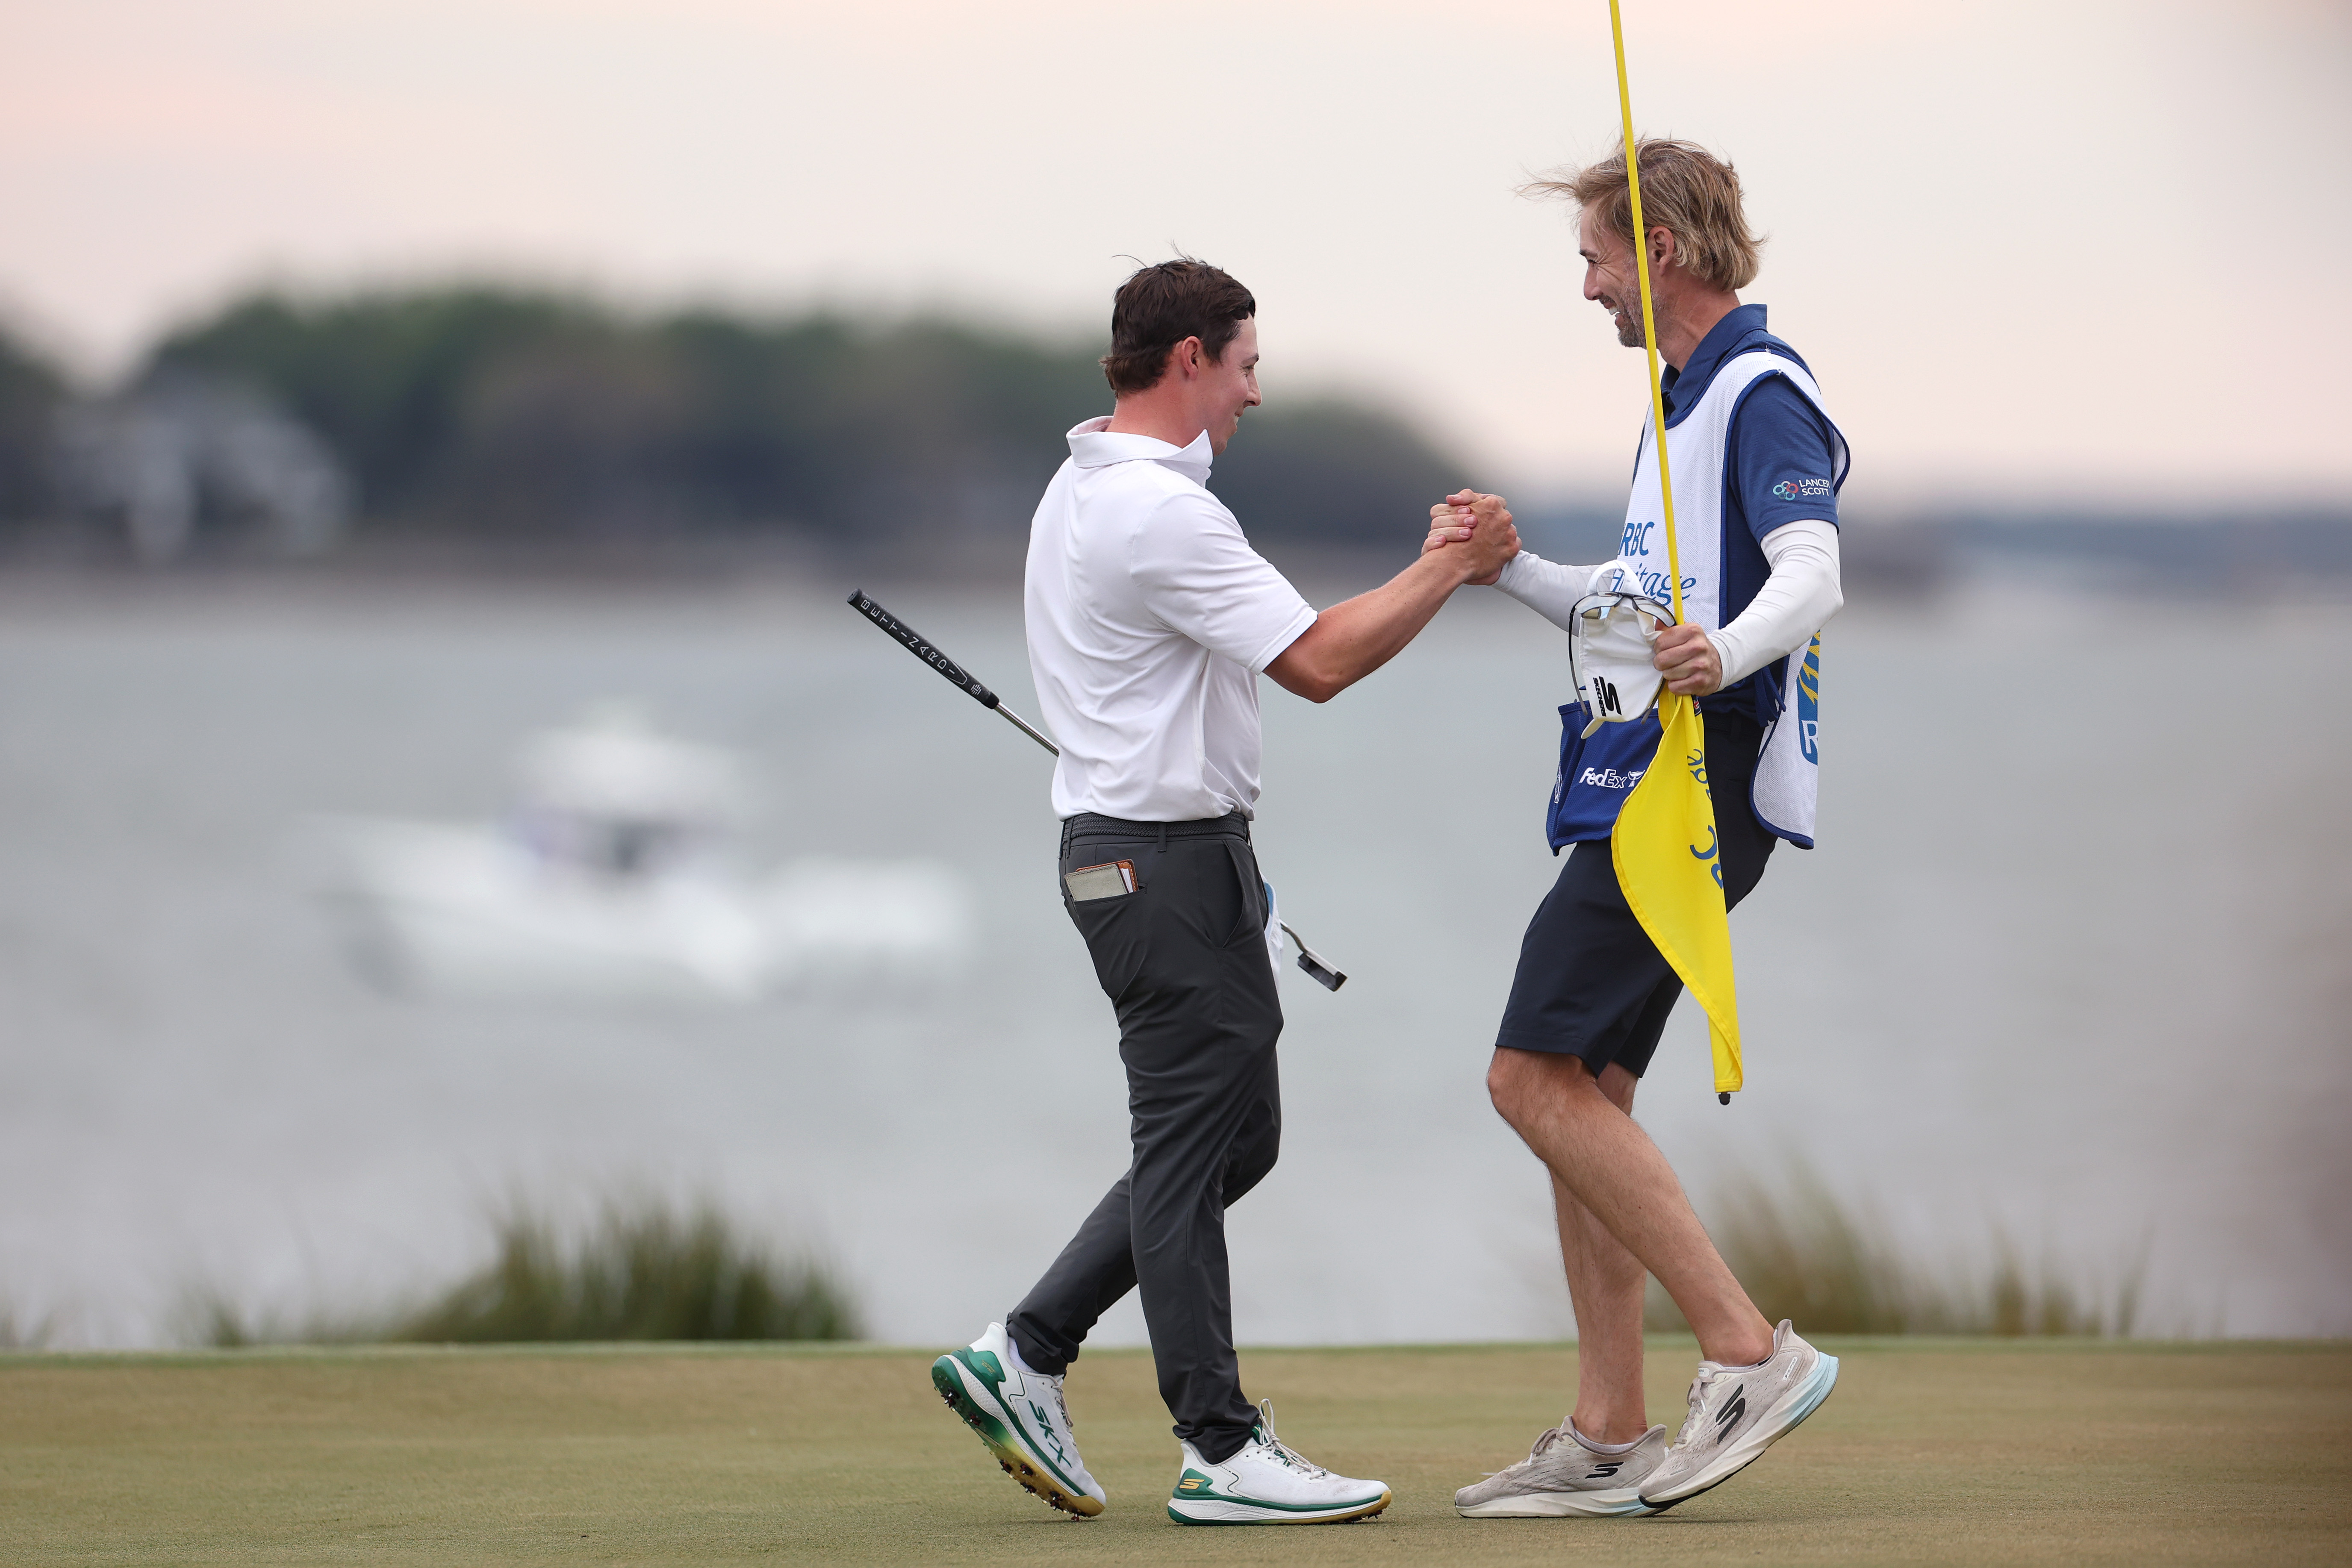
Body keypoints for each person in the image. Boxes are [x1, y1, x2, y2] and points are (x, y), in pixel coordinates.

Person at [931, 258, 1517, 1526]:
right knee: (1193, 1143)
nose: (1255, 392)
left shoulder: (1082, 483)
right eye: (1246, 365)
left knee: (1231, 1136)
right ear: (1189, 358)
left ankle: (1024, 1353)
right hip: (1160, 865)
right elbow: (1317, 662)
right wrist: (1450, 567)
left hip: (1151, 856)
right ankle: (1219, 1448)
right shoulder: (1158, 511)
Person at [1439, 138, 1848, 1519]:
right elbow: (1634, 612)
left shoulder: (1755, 388)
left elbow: (1814, 571)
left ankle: (1748, 1351)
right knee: (1584, 1095)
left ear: (1661, 251)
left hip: (1698, 782)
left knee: (1524, 1077)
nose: (1593, 286)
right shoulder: (1675, 403)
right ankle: (1608, 1431)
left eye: (1600, 259)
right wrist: (1505, 573)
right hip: (1650, 771)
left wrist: (1724, 657)